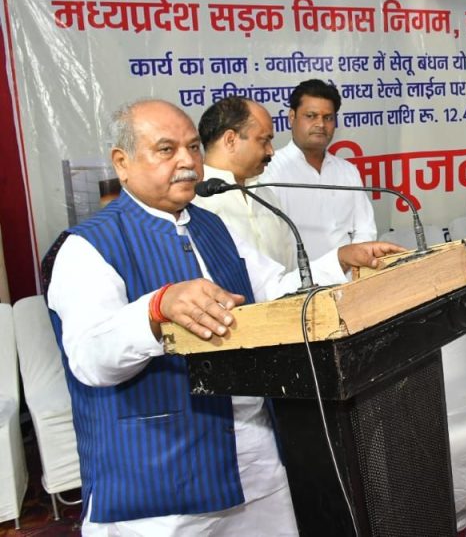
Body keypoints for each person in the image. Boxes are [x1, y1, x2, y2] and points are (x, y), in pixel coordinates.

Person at [44, 99, 401, 536]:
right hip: (160, 477)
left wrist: (339, 261)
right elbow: (90, 359)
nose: (186, 161)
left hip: (253, 456)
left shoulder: (212, 225)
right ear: (122, 162)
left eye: (193, 147)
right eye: (166, 149)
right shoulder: (88, 246)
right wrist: (156, 310)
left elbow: (273, 291)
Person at [262, 79, 377, 259]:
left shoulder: (347, 171)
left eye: (328, 118)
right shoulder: (269, 170)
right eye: (311, 116)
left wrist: (355, 264)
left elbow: (365, 229)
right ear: (292, 117)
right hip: (298, 275)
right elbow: (268, 242)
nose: (321, 124)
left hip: (349, 273)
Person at [193, 96, 295, 268]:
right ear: (230, 140)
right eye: (264, 140)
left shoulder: (266, 196)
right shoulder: (193, 201)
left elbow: (291, 267)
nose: (271, 151)